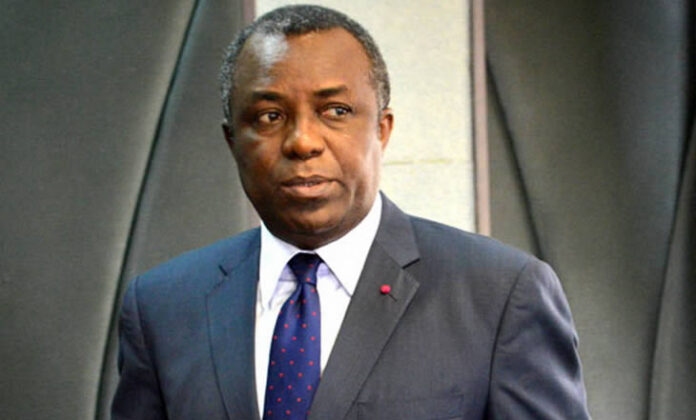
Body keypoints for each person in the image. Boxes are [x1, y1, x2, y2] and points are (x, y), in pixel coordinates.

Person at [112, 5, 591, 420]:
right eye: (270, 116)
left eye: (335, 110)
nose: (303, 141)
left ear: (382, 130)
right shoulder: (162, 308)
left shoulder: (500, 295)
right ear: (232, 140)